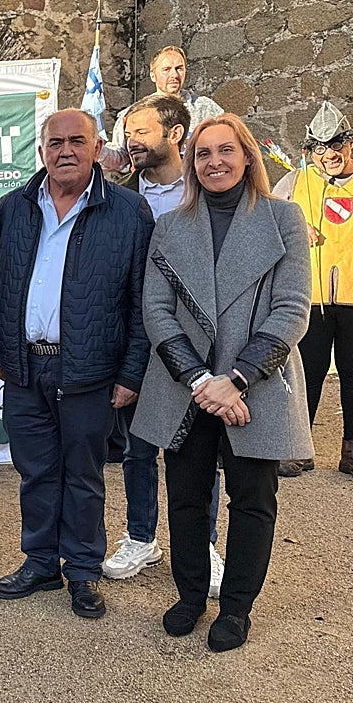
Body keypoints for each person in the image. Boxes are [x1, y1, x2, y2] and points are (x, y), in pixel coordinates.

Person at [132, 113, 312, 651]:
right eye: (204, 154)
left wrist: (235, 380)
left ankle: (236, 609)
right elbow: (157, 310)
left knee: (253, 500)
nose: (215, 162)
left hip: (254, 384)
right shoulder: (170, 227)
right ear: (191, 164)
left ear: (248, 156)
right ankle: (189, 596)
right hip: (186, 387)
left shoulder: (283, 219)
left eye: (225, 151)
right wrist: (199, 379)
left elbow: (292, 309)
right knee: (186, 498)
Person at [0, 109, 154, 620]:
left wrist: (131, 373)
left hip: (89, 368)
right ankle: (40, 561)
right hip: (25, 369)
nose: (65, 150)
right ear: (41, 151)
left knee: (83, 474)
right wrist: (2, 353)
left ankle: (82, 571)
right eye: (55, 142)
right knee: (35, 471)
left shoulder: (128, 212)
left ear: (97, 146)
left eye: (77, 141)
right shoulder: (13, 207)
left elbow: (141, 301)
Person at [102, 95, 227, 599]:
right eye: (126, 131)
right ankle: (140, 536)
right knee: (137, 447)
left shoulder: (205, 190)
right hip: (135, 341)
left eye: (140, 131)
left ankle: (205, 544)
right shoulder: (117, 193)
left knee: (203, 448)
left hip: (197, 342)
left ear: (175, 134)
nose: (129, 141)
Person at [272, 101, 353, 476]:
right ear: (309, 151)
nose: (331, 153)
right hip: (312, 297)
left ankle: (351, 451)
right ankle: (298, 447)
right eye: (321, 146)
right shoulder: (294, 182)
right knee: (307, 373)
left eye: (337, 143)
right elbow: (265, 219)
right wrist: (294, 228)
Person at [100, 46, 223, 175]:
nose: (174, 75)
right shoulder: (133, 114)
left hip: (196, 186)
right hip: (150, 189)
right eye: (166, 69)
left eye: (179, 68)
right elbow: (121, 158)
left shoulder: (206, 108)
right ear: (153, 75)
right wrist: (97, 151)